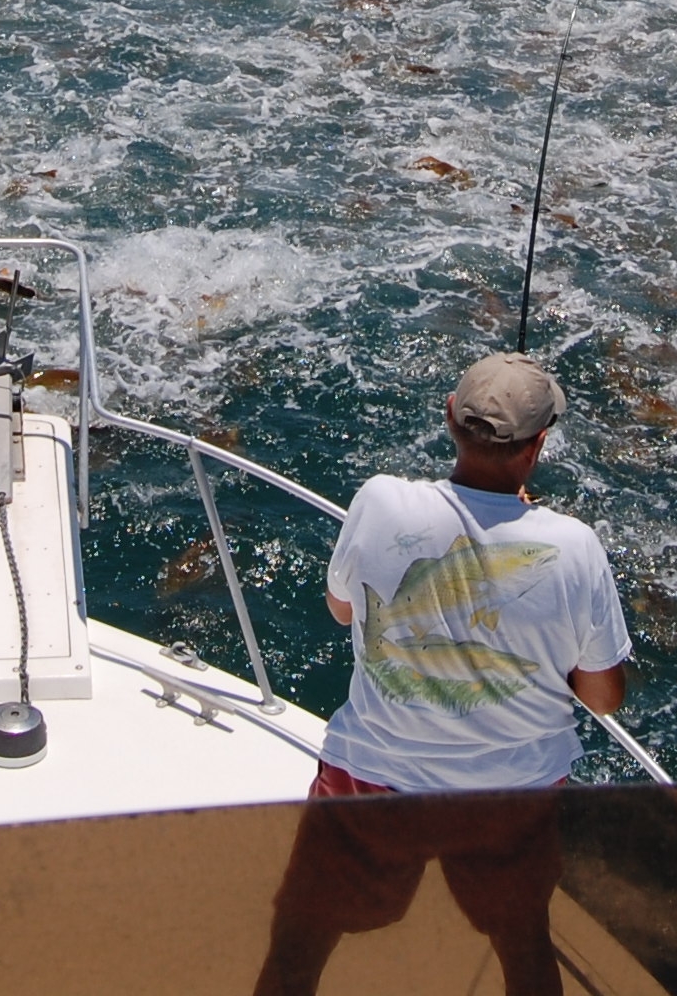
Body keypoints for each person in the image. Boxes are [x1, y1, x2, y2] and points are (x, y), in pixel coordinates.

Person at [253, 351, 632, 996]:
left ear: (451, 416)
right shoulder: (575, 546)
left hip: (370, 777)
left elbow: (342, 609)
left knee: (301, 937)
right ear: (537, 446)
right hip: (512, 796)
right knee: (524, 944)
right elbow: (602, 699)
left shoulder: (381, 501)